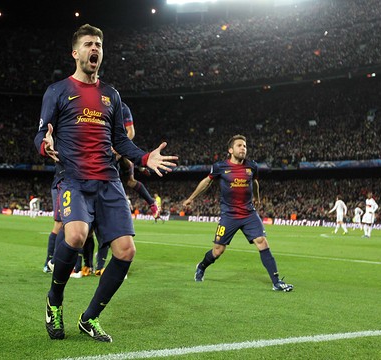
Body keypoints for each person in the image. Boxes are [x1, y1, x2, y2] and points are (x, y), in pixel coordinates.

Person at [34, 24, 177, 342]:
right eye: (88, 43)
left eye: (98, 43)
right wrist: (45, 144)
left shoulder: (111, 95)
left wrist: (144, 158)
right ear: (76, 52)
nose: (94, 48)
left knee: (126, 251)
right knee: (76, 233)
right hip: (71, 176)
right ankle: (54, 301)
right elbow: (39, 135)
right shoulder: (57, 91)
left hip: (108, 181)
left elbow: (120, 142)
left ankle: (89, 318)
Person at [182, 134, 293, 292]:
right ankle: (201, 266)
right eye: (240, 145)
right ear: (230, 150)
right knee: (218, 251)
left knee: (262, 241)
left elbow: (254, 182)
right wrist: (191, 198)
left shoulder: (252, 166)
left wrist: (257, 197)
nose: (243, 148)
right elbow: (206, 182)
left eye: (245, 146)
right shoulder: (220, 167)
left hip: (249, 214)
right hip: (229, 216)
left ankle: (276, 282)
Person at [116, 102, 161, 219]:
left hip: (118, 146)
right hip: (105, 146)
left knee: (130, 180)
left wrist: (118, 148)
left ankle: (152, 202)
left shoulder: (122, 108)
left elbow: (131, 132)